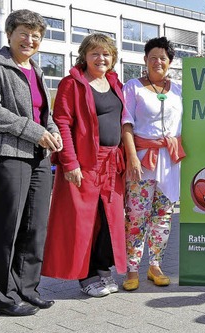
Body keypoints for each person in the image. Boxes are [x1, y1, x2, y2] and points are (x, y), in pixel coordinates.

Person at [0, 9, 61, 316]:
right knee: (6, 229)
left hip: (38, 157)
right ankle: (1, 299)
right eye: (24, 33)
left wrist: (52, 131)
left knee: (34, 228)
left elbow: (43, 113)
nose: (30, 40)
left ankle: (26, 289)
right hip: (6, 156)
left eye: (36, 36)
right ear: (10, 33)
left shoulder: (35, 69)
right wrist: (37, 132)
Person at [42, 33, 128, 298]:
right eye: (95, 53)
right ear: (85, 56)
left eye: (106, 53)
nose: (101, 58)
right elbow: (63, 123)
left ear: (112, 57)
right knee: (83, 221)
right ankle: (86, 274)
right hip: (84, 162)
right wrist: (70, 162)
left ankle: (103, 268)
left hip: (112, 163)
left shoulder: (115, 83)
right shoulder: (72, 83)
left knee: (109, 220)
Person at [121, 37, 184, 291]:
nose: (158, 62)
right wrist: (132, 156)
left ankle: (155, 265)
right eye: (153, 57)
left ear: (170, 62)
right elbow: (126, 123)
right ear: (145, 60)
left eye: (163, 58)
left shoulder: (179, 89)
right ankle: (132, 268)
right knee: (136, 216)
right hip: (143, 159)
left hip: (169, 160)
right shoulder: (132, 87)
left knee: (163, 216)